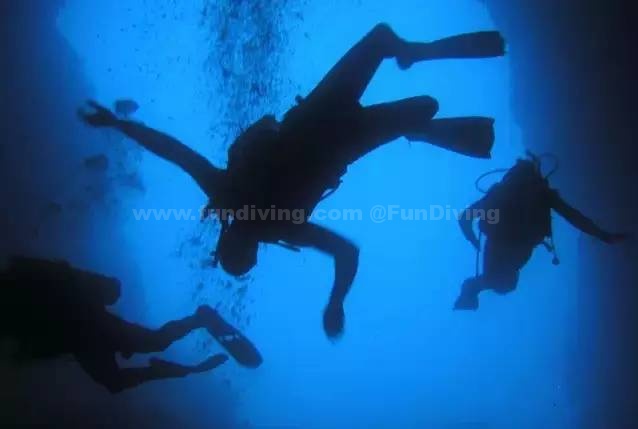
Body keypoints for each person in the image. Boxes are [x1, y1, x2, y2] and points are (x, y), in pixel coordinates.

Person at [79, 23, 506, 338]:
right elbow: (176, 153)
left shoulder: (252, 211)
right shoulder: (254, 212)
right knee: (401, 71)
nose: (246, 241)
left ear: (233, 242)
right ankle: (414, 107)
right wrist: (118, 125)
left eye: (240, 248)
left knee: (411, 88)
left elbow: (175, 153)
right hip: (327, 125)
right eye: (246, 250)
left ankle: (415, 109)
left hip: (327, 124)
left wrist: (336, 302)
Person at [0, 256, 262, 393]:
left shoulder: (26, 283)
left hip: (89, 328)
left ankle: (199, 321)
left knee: (150, 346)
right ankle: (191, 332)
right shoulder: (25, 282)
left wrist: (101, 290)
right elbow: (104, 287)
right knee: (123, 374)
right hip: (82, 337)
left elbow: (101, 286)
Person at [455, 156, 629, 310]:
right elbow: (573, 217)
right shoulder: (541, 193)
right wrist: (602, 235)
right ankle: (472, 288)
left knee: (503, 284)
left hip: (499, 242)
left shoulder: (500, 192)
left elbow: (464, 218)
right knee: (504, 284)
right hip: (520, 244)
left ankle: (472, 289)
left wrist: (473, 240)